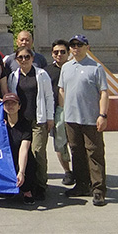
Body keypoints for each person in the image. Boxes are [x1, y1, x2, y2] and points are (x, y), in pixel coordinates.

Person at [59, 35, 109, 206]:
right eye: (73, 45)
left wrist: (102, 115)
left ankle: (98, 190)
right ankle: (81, 184)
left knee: (94, 153)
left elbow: (104, 92)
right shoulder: (66, 67)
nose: (76, 48)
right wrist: (63, 111)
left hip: (90, 118)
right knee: (76, 152)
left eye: (79, 44)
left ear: (87, 47)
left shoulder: (96, 67)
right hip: (71, 118)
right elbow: (62, 90)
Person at [7, 46, 55, 201]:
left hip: (38, 120)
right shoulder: (13, 76)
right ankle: (26, 185)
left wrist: (50, 117)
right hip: (21, 121)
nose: (24, 60)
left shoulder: (41, 74)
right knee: (22, 154)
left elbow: (49, 96)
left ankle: (40, 185)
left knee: (37, 152)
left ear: (32, 58)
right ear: (16, 60)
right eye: (20, 57)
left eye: (27, 57)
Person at [3, 92, 38, 205]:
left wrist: (21, 172)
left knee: (28, 163)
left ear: (19, 106)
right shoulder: (0, 123)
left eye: (13, 103)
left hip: (21, 157)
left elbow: (24, 149)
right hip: (6, 158)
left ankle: (27, 191)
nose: (10, 106)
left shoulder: (25, 124)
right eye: (7, 104)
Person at [47, 39, 74, 185]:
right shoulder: (47, 71)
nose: (59, 55)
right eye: (56, 52)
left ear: (68, 53)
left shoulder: (74, 68)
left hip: (75, 111)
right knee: (60, 143)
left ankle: (80, 171)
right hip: (56, 112)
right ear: (52, 54)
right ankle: (67, 171)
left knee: (75, 143)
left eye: (63, 52)